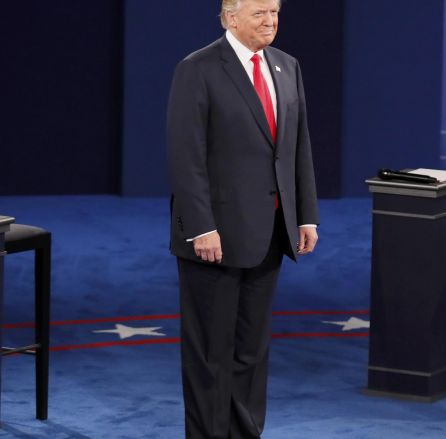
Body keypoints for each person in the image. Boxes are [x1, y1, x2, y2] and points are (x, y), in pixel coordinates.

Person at [166, 0, 319, 437]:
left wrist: (305, 215)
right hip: (213, 237)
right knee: (210, 354)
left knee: (251, 353)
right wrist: (201, 226)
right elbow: (185, 156)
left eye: (275, 11)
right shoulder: (198, 68)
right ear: (231, 17)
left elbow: (296, 147)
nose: (271, 20)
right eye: (260, 13)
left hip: (269, 232)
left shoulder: (287, 66)